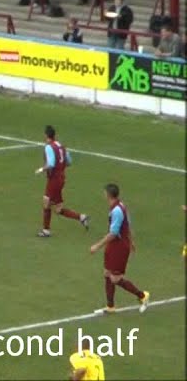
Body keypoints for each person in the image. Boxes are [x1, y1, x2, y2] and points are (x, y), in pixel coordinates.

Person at [89, 183, 150, 315]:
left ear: (108, 194)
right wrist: (131, 241)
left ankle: (142, 296)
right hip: (114, 245)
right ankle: (110, 306)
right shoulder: (120, 205)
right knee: (107, 273)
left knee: (115, 278)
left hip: (119, 247)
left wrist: (97, 246)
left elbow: (113, 233)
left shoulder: (117, 210)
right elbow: (127, 224)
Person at [34, 125, 89, 238]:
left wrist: (41, 169)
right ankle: (81, 217)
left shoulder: (49, 147)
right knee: (58, 209)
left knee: (46, 201)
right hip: (61, 178)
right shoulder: (61, 146)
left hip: (54, 179)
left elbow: (51, 164)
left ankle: (46, 230)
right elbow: (69, 162)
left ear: (46, 135)